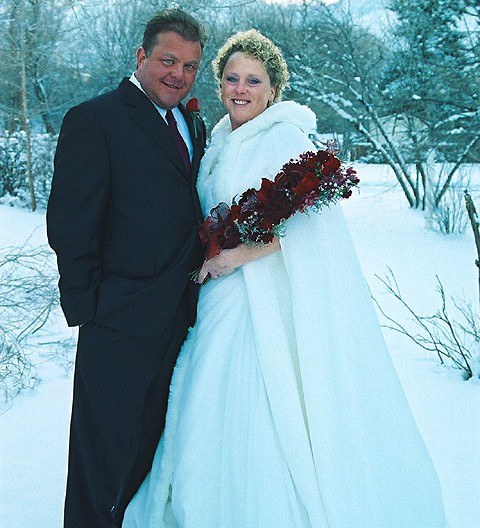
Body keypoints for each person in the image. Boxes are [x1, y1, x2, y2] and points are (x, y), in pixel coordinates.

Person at [123, 30, 447, 528]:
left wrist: (236, 258)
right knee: (202, 405)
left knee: (254, 401)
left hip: (263, 298)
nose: (240, 89)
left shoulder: (284, 138)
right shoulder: (218, 140)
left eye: (254, 80)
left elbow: (308, 232)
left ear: (273, 89)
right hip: (215, 297)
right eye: (231, 78)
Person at [46, 8, 207, 527]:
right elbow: (70, 226)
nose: (177, 75)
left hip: (178, 314)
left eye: (189, 66)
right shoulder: (95, 120)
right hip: (118, 319)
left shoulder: (192, 121)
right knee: (101, 453)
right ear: (141, 56)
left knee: (149, 447)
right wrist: (93, 309)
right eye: (167, 60)